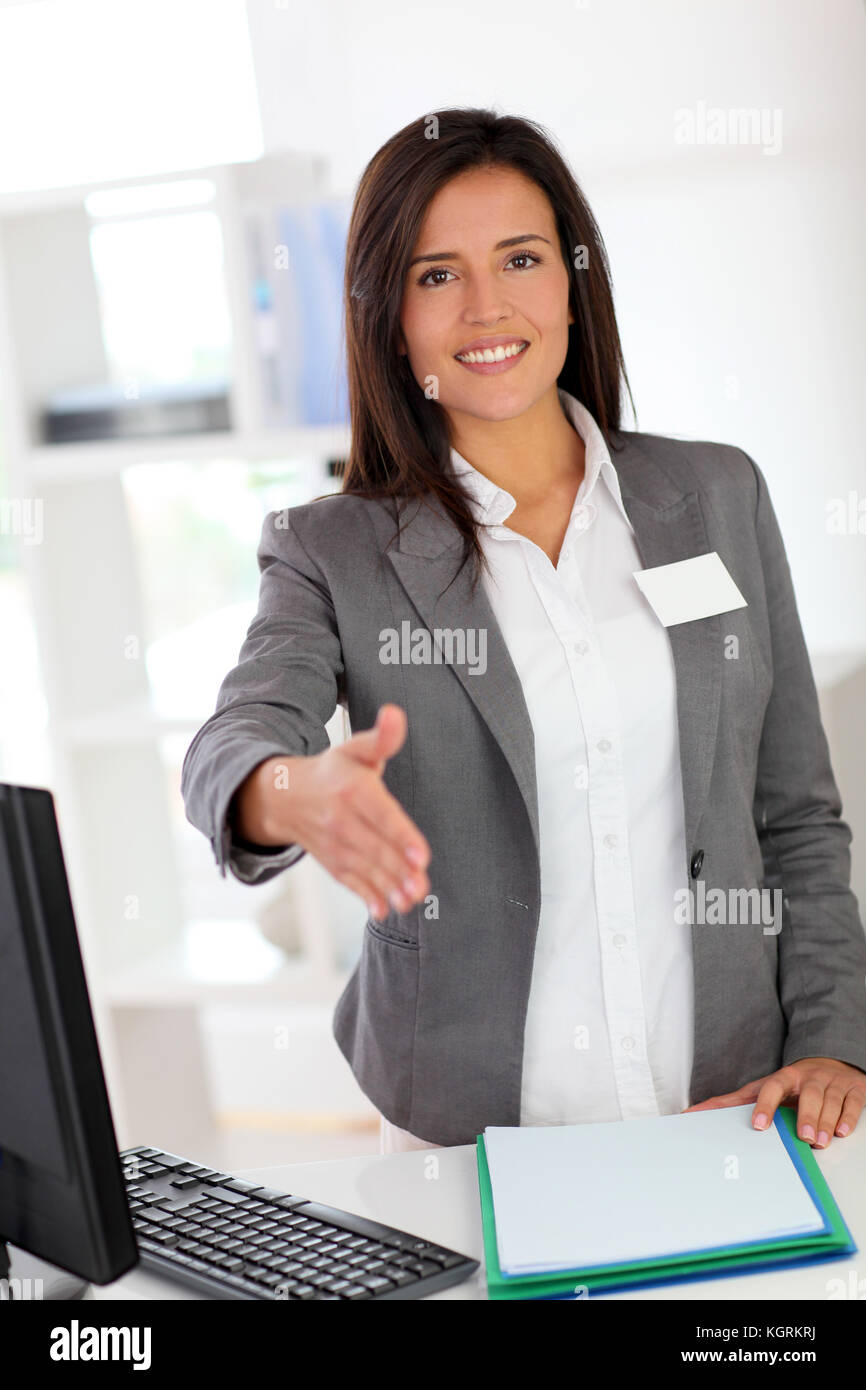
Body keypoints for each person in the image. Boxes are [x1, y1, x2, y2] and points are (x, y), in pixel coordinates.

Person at [181, 108, 866, 1154]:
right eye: (436, 274)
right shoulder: (332, 550)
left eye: (520, 258)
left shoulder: (715, 493)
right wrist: (290, 789)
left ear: (570, 283)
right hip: (468, 1137)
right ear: (389, 315)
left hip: (730, 1113)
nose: (486, 306)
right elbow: (236, 737)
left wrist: (832, 1036)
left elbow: (797, 817)